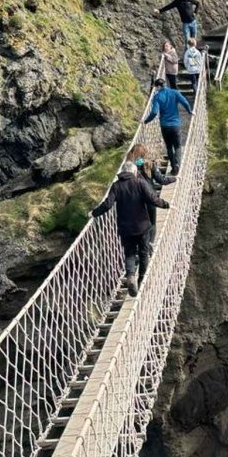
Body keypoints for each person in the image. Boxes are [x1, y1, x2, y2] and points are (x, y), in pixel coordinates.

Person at [92, 161, 169, 295]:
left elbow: (107, 204)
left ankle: (131, 277)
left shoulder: (116, 186)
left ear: (123, 172)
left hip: (125, 228)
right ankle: (141, 280)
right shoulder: (140, 183)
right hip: (142, 226)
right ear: (134, 171)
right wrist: (166, 204)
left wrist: (94, 213)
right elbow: (153, 199)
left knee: (130, 254)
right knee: (144, 253)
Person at [143, 75, 193, 172]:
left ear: (158, 86)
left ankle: (173, 167)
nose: (155, 89)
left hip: (165, 126)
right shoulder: (175, 92)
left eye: (155, 87)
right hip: (175, 125)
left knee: (169, 147)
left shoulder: (157, 97)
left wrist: (146, 121)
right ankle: (177, 164)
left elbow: (154, 112)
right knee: (178, 146)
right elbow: (185, 102)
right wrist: (189, 111)